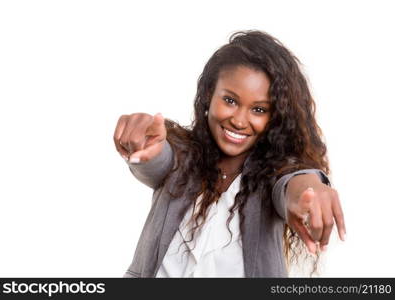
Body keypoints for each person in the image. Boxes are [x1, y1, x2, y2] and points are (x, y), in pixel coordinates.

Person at [114, 30, 346, 278]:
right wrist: (145, 146)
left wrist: (310, 192)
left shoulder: (272, 175)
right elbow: (159, 161)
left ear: (274, 118)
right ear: (208, 95)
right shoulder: (182, 158)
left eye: (258, 109)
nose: (239, 120)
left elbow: (295, 183)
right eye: (230, 100)